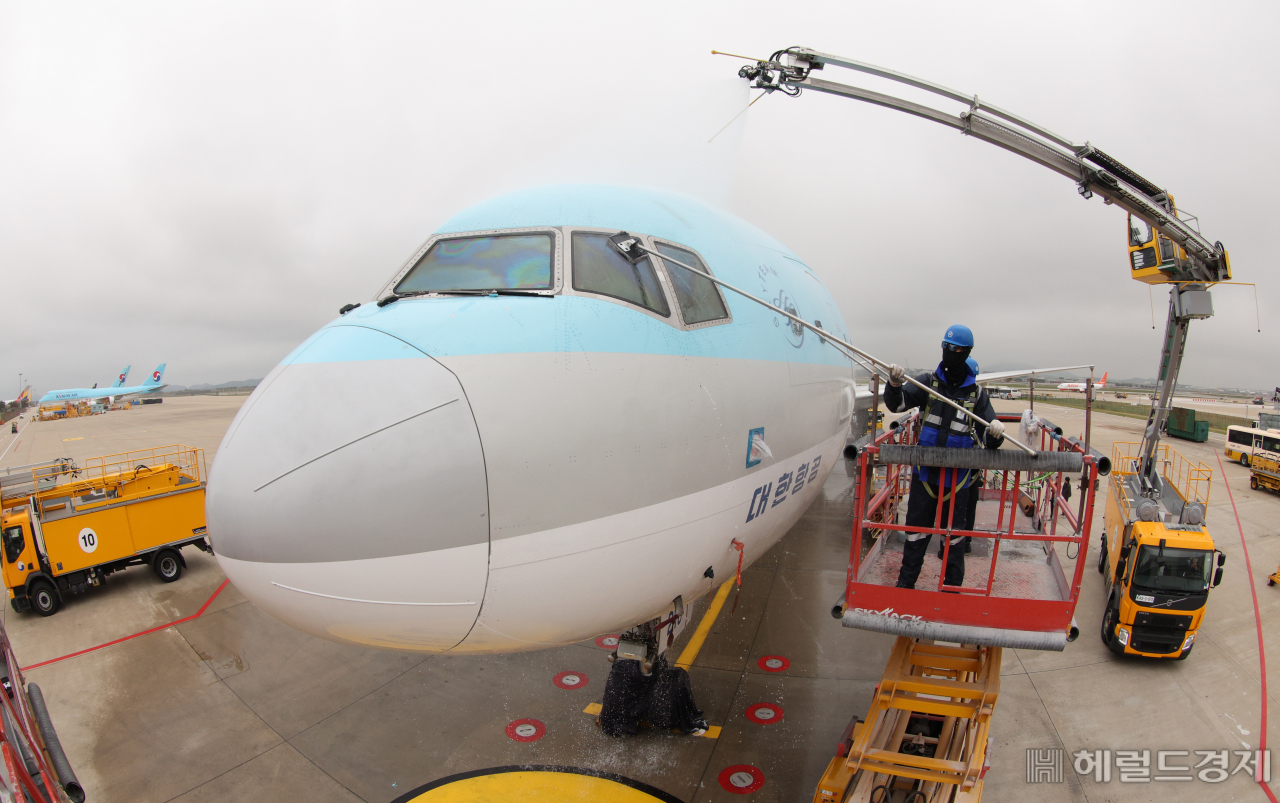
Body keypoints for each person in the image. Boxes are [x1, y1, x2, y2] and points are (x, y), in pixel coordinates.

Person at [885, 325, 1005, 590]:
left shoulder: (976, 395)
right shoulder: (929, 384)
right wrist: (894, 384)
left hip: (958, 481)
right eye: (946, 347)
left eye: (956, 349)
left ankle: (951, 589)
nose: (949, 353)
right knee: (915, 533)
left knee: (955, 539)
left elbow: (989, 439)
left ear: (966, 353)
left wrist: (996, 432)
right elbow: (897, 404)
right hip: (925, 474)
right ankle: (906, 584)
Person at [939, 356, 982, 559]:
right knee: (962, 509)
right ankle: (960, 543)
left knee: (956, 509)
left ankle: (957, 544)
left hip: (963, 472)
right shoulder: (966, 401)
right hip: (966, 471)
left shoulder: (976, 400)